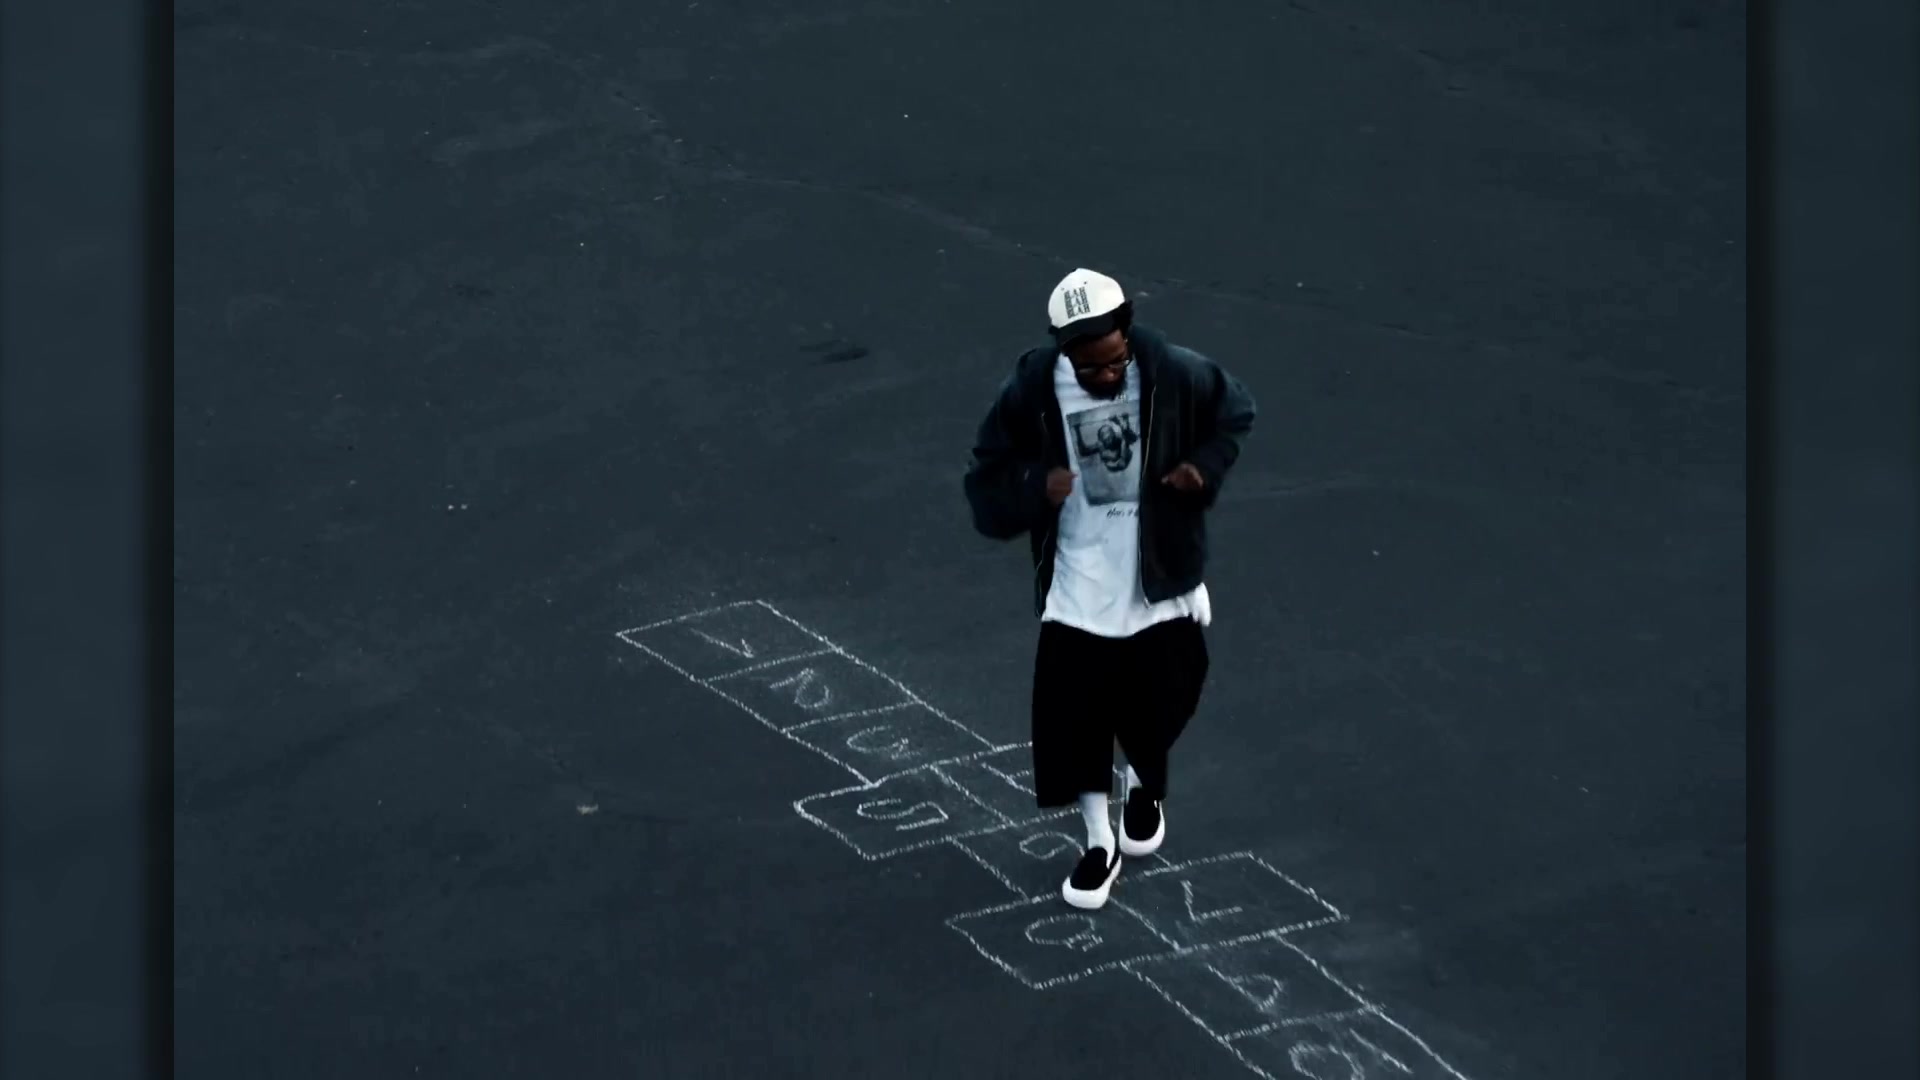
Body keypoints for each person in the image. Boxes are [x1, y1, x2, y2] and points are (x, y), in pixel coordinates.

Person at [963, 268, 1257, 910]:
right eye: (1088, 366)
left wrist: (1202, 467)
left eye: (1113, 361)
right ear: (1063, 351)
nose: (1103, 376)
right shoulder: (1035, 389)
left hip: (1158, 569)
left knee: (1171, 695)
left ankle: (1145, 784)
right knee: (1078, 721)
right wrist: (1034, 488)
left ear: (1128, 331)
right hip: (1077, 579)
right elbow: (986, 472)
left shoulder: (1172, 371)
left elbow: (1235, 411)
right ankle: (1100, 843)